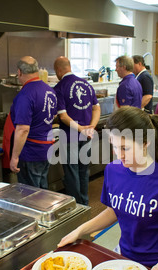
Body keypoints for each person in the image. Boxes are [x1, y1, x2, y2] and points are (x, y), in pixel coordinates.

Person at [58, 106, 158, 270]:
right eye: (114, 147)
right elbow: (114, 210)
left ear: (145, 142)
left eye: (125, 148)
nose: (118, 154)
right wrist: (80, 230)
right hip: (124, 259)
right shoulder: (113, 170)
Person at [53, 56, 101, 205]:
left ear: (59, 70)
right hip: (86, 136)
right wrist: (91, 127)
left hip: (69, 137)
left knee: (72, 174)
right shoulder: (86, 84)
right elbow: (96, 108)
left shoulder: (60, 87)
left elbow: (63, 116)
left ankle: (76, 207)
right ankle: (84, 203)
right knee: (83, 172)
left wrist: (81, 129)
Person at [7, 56, 58, 188]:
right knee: (42, 191)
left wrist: (14, 157)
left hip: (31, 153)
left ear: (19, 72)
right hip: (46, 149)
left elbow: (23, 129)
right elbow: (53, 114)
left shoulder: (25, 95)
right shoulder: (49, 90)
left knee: (31, 195)